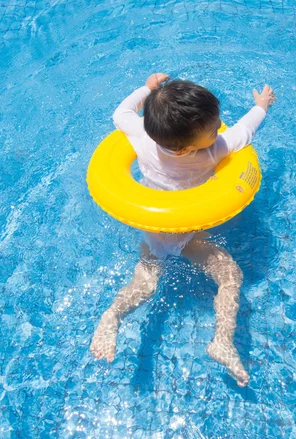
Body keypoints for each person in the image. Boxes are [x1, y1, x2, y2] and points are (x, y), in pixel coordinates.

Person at [90, 73, 275, 387]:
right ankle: (222, 340)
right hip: (187, 231)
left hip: (153, 226)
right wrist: (261, 106)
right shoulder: (213, 150)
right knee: (230, 275)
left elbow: (120, 113)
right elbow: (244, 131)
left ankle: (112, 317)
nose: (220, 128)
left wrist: (147, 90)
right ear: (189, 148)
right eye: (214, 127)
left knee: (145, 284)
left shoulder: (140, 136)